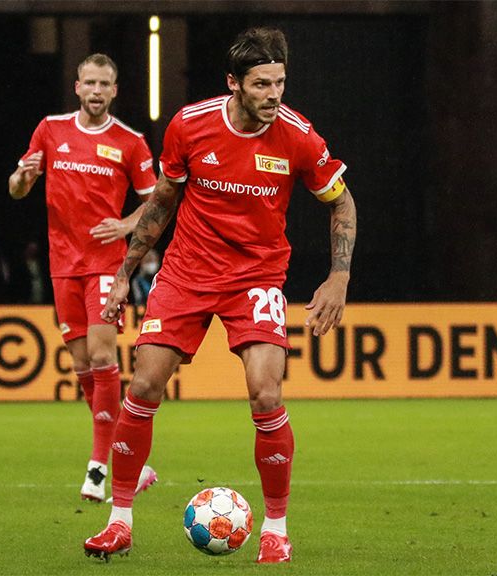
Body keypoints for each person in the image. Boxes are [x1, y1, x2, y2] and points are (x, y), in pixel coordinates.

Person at [83, 27, 357, 564]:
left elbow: (341, 204)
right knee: (143, 385)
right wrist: (123, 274)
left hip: (256, 276)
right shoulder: (191, 124)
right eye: (261, 84)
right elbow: (162, 202)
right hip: (187, 273)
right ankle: (119, 523)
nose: (274, 94)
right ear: (234, 83)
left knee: (266, 395)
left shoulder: (299, 135)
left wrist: (339, 276)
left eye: (279, 82)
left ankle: (275, 530)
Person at [8, 53, 159, 503]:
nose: (96, 91)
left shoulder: (131, 142)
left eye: (104, 84)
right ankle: (129, 460)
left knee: (100, 353)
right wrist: (22, 177)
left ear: (115, 90)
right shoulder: (50, 130)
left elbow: (157, 203)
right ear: (77, 87)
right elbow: (17, 190)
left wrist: (127, 225)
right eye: (89, 83)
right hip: (63, 263)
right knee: (80, 364)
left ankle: (97, 469)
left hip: (107, 263)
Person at [129, 248, 160, 317]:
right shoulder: (137, 281)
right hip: (142, 312)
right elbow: (138, 300)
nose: (151, 263)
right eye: (148, 261)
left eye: (153, 260)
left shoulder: (162, 278)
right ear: (141, 263)